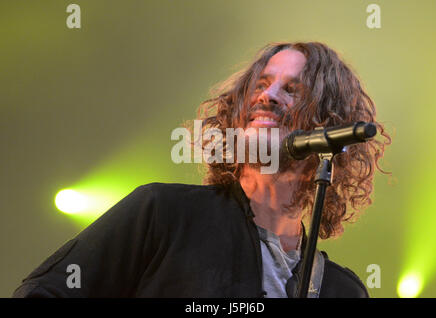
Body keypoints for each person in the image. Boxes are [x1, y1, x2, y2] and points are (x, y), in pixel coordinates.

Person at [12, 41, 390, 298]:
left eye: (292, 90)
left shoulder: (342, 290)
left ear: (328, 122)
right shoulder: (164, 214)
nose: (267, 96)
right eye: (261, 84)